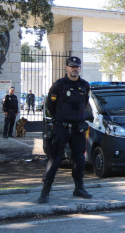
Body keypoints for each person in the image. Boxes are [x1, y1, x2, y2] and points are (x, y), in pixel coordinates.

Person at [38, 56, 92, 203]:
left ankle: (79, 188)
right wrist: (60, 118)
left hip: (78, 128)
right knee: (55, 158)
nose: (74, 69)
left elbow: (85, 103)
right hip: (61, 127)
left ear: (80, 68)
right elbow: (51, 105)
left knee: (79, 159)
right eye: (72, 66)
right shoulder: (59, 85)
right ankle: (45, 191)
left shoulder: (85, 85)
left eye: (77, 66)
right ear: (66, 68)